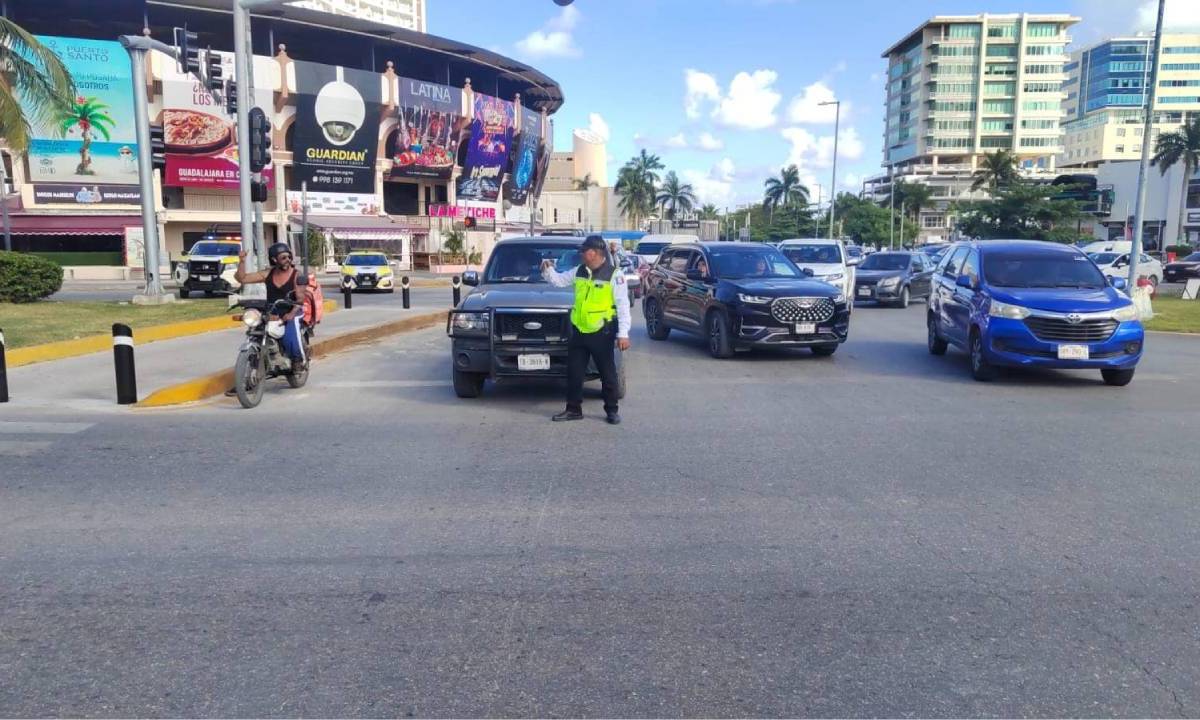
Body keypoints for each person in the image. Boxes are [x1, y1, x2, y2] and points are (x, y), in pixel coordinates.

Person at [541, 235, 632, 424]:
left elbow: (623, 306)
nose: (582, 254)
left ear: (594, 252)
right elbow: (559, 281)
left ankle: (612, 410)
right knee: (574, 372)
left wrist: (623, 334)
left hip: (602, 331)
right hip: (579, 331)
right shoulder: (579, 271)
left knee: (607, 373)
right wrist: (548, 270)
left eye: (584, 251)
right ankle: (573, 409)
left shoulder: (614, 275)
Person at [234, 242, 308, 366]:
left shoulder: (297, 275)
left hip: (292, 310)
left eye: (289, 257)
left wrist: (291, 314)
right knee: (257, 330)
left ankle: (298, 361)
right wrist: (242, 261)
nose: (288, 260)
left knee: (290, 338)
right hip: (272, 311)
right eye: (283, 258)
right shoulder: (268, 274)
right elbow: (242, 279)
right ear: (274, 259)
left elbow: (300, 299)